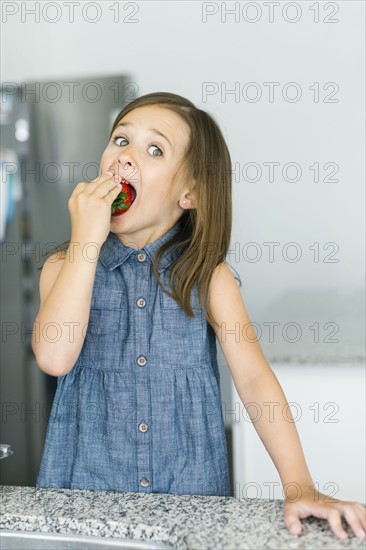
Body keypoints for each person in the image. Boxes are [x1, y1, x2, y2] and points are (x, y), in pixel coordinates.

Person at [32, 92, 365, 540]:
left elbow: (253, 380)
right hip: (81, 507)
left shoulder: (209, 278)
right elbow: (54, 357)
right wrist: (85, 243)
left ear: (188, 192)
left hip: (191, 500)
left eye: (154, 149)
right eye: (120, 139)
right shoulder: (63, 266)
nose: (126, 156)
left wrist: (300, 485)